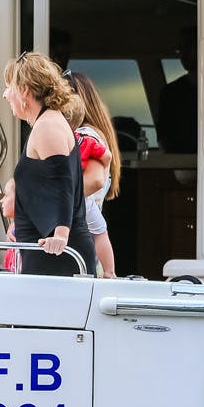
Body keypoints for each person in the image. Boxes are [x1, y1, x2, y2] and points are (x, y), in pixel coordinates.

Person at [2, 52, 96, 277]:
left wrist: (61, 234)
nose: (6, 95)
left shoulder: (48, 126)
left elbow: (62, 182)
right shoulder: (46, 122)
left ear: (25, 89)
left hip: (56, 252)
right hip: (45, 248)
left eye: (9, 87)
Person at [66, 70, 122, 278]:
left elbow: (95, 180)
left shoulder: (84, 135)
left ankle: (109, 271)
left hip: (80, 239)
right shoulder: (95, 134)